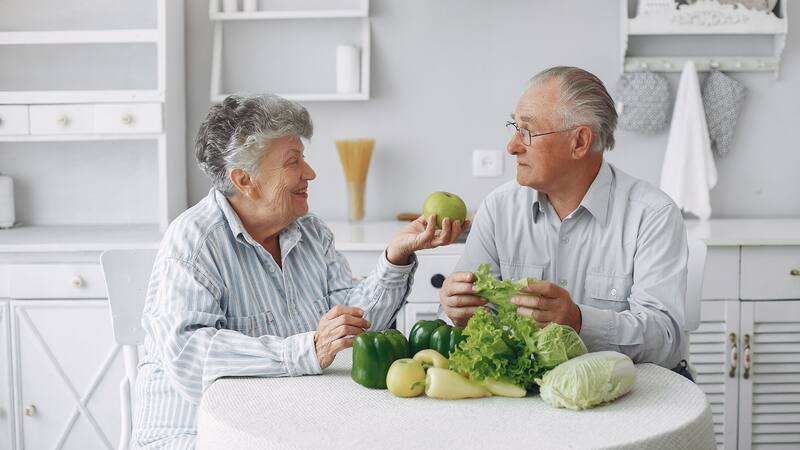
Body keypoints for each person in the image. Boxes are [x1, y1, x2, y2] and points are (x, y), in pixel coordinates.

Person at [134, 94, 466, 448]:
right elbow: (188, 354)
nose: (310, 173)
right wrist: (305, 349)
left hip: (284, 424)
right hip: (196, 433)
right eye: (293, 162)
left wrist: (394, 258)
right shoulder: (194, 241)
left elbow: (352, 328)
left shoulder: (310, 232)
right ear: (244, 180)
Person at [439, 66, 688, 372]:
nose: (512, 146)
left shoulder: (653, 215)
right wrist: (457, 310)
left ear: (580, 142)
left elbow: (665, 339)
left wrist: (579, 321)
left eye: (527, 131)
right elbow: (467, 320)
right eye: (513, 127)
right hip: (525, 399)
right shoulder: (498, 208)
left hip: (629, 398)